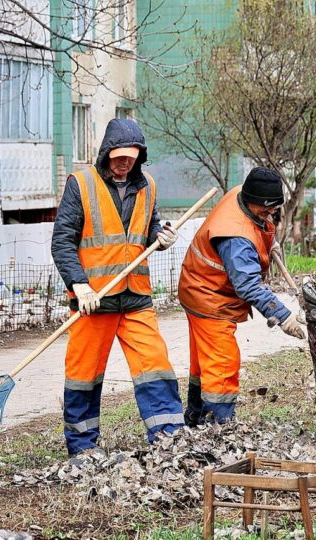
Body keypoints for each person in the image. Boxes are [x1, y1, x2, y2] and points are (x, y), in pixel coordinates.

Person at [51, 118, 184, 457]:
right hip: (93, 300)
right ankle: (82, 449)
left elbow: (148, 226)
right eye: (119, 156)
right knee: (84, 377)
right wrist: (79, 285)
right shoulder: (80, 185)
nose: (125, 163)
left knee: (155, 367)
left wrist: (161, 236)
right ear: (106, 153)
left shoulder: (148, 186)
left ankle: (169, 442)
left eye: (132, 156)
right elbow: (62, 241)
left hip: (136, 298)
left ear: (140, 156)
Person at [178, 166, 306, 426]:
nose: (270, 214)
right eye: (265, 209)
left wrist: (268, 241)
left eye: (273, 209)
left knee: (203, 363)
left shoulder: (242, 194)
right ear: (251, 200)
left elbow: (257, 223)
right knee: (222, 363)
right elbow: (248, 285)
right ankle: (218, 426)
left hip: (198, 288)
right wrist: (283, 317)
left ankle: (195, 418)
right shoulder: (235, 236)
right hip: (209, 296)